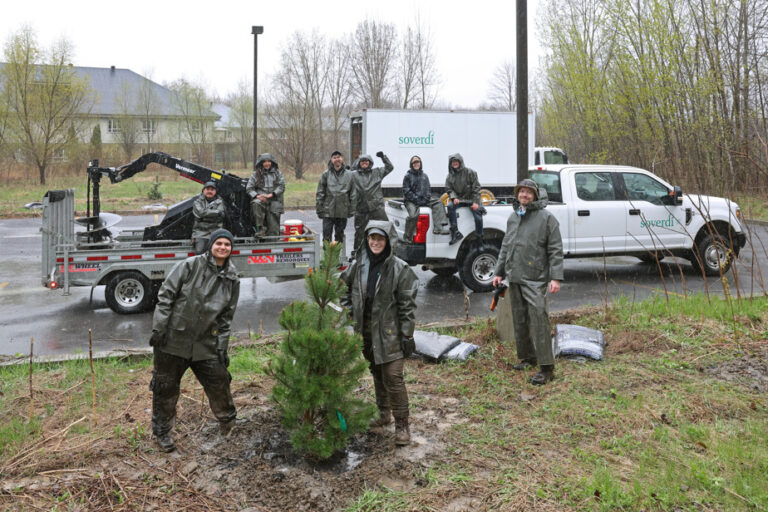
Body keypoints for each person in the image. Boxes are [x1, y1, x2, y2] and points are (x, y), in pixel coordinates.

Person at [148, 228, 241, 452]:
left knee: (219, 381)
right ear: (211, 245)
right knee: (165, 387)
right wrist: (159, 329)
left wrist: (222, 347)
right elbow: (166, 296)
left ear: (231, 249)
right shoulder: (190, 266)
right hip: (174, 340)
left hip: (206, 343)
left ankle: (228, 423)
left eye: (227, 245)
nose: (222, 248)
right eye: (218, 243)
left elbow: (227, 316)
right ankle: (162, 432)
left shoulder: (232, 277)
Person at [341, 220, 418, 446]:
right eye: (372, 238)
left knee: (393, 377)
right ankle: (383, 413)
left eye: (380, 238)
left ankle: (402, 425)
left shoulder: (399, 269)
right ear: (367, 240)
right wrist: (348, 314)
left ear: (388, 241)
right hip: (365, 332)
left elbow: (407, 305)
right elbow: (344, 289)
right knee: (376, 372)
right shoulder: (359, 265)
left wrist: (407, 335)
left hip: (390, 333)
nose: (375, 242)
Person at [492, 179, 564, 385]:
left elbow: (556, 250)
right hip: (515, 276)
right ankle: (528, 357)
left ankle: (547, 368)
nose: (524, 195)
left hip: (535, 278)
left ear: (535, 195)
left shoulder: (547, 218)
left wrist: (556, 277)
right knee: (520, 319)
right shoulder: (514, 217)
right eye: (521, 192)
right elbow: (506, 247)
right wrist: (499, 272)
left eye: (528, 192)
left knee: (539, 320)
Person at [351, 151, 394, 253]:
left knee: (386, 228)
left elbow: (390, 167)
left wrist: (383, 157)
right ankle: (357, 252)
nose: (364, 163)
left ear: (370, 162)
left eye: (366, 161)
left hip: (376, 207)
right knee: (360, 232)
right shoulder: (353, 175)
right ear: (359, 163)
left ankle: (390, 250)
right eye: (362, 161)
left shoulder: (377, 172)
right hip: (361, 208)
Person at [401, 155, 450, 242]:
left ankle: (438, 227)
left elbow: (428, 189)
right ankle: (407, 236)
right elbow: (406, 191)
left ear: (420, 163)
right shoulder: (407, 176)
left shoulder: (425, 176)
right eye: (414, 162)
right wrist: (416, 199)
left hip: (424, 199)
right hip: (411, 201)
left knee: (439, 203)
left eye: (418, 162)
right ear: (411, 164)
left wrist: (426, 198)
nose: (416, 164)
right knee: (413, 215)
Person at [316, 150, 357, 244]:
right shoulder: (326, 174)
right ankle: (327, 257)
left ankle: (337, 257)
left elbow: (353, 194)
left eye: (339, 157)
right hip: (327, 211)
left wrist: (352, 209)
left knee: (339, 236)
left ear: (342, 159)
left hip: (342, 211)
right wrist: (319, 209)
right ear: (331, 160)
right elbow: (320, 193)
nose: (337, 159)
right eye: (334, 158)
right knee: (326, 236)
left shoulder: (349, 175)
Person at [445, 153, 483, 245]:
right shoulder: (449, 176)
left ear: (460, 161)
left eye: (456, 161)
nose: (454, 163)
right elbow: (449, 189)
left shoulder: (471, 172)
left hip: (471, 199)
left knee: (478, 218)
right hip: (460, 200)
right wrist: (454, 198)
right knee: (450, 206)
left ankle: (479, 239)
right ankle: (455, 233)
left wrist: (475, 202)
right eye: (452, 162)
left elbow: (476, 188)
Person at [246, 153, 285, 237]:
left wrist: (272, 194)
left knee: (273, 231)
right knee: (256, 203)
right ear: (261, 163)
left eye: (268, 161)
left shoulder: (277, 173)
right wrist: (257, 196)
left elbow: (281, 186)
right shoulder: (255, 174)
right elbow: (249, 188)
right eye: (264, 162)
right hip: (261, 201)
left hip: (274, 201)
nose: (267, 164)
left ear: (272, 162)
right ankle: (260, 228)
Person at [191, 181, 226, 254]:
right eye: (208, 189)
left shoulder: (220, 202)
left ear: (215, 191)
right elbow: (200, 213)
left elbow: (221, 213)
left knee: (219, 252)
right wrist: (216, 213)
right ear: (203, 190)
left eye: (212, 189)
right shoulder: (197, 202)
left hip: (216, 231)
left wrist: (205, 216)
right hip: (200, 232)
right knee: (199, 251)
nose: (210, 191)